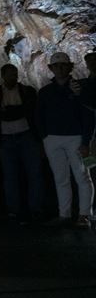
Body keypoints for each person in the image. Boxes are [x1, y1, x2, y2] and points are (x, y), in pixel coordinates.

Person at [36, 52, 94, 228]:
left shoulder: (80, 88)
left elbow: (88, 116)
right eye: (56, 66)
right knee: (61, 177)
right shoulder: (45, 92)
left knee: (82, 176)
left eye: (63, 65)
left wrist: (86, 141)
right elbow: (39, 116)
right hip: (53, 138)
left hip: (75, 137)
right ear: (51, 69)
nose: (60, 69)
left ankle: (85, 214)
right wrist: (43, 137)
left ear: (70, 67)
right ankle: (64, 214)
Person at [0, 63, 43, 223]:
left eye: (15, 74)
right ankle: (13, 209)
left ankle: (36, 208)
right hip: (6, 138)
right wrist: (16, 111)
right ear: (3, 75)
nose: (13, 77)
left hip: (26, 136)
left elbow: (29, 109)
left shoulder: (27, 91)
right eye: (10, 74)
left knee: (34, 173)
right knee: (10, 176)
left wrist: (9, 111)